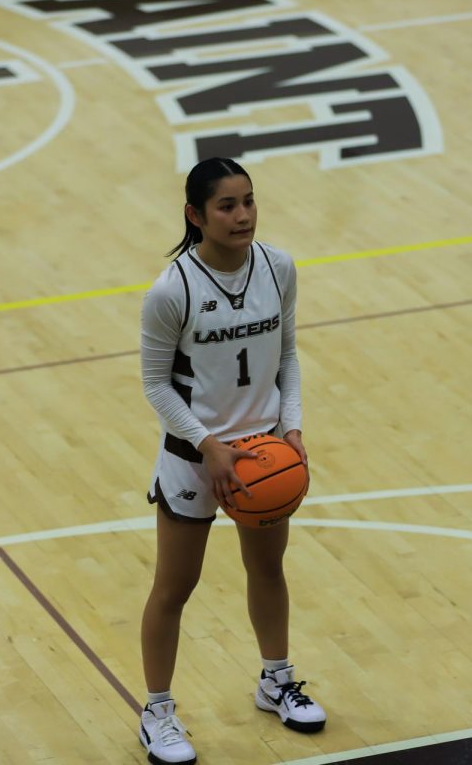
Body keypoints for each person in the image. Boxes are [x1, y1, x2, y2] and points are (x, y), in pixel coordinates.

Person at [137, 157, 327, 764]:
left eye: (248, 201)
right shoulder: (173, 290)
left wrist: (290, 427)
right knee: (175, 587)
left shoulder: (279, 266)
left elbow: (287, 356)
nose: (242, 215)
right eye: (226, 205)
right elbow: (154, 384)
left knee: (269, 572)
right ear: (195, 215)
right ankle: (158, 712)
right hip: (196, 458)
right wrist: (208, 444)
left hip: (265, 454)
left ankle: (276, 679)